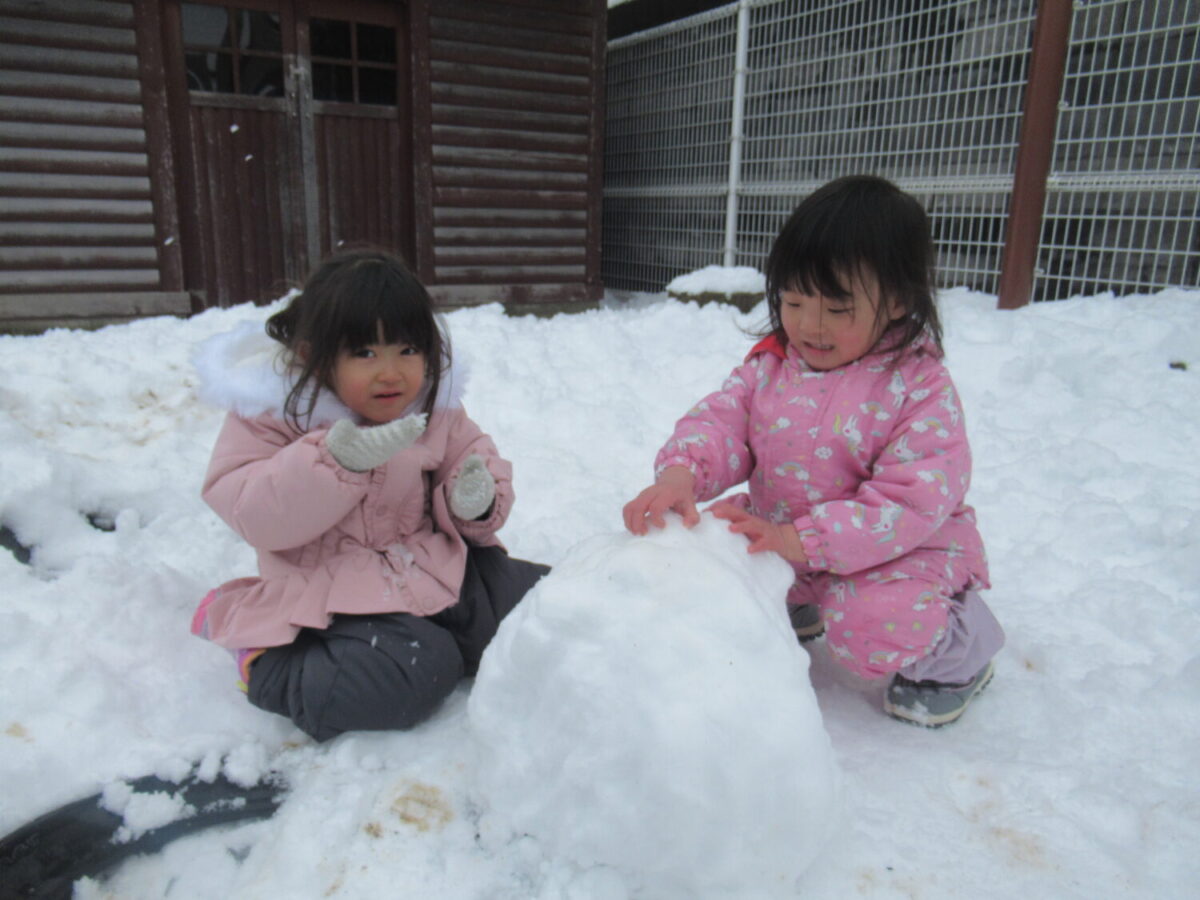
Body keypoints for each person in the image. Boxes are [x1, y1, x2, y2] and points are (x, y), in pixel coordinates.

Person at [623, 175, 1004, 727]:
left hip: (899, 554)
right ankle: (798, 598)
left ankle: (958, 652)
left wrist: (799, 541)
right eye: (795, 300)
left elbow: (907, 502)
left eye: (838, 308)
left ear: (898, 301)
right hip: (791, 538)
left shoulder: (919, 390)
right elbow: (722, 421)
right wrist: (682, 473)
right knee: (713, 559)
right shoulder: (773, 366)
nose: (809, 325)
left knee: (871, 625)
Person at [190, 248, 548, 742]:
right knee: (412, 673)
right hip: (332, 596)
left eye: (408, 350)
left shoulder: (433, 408)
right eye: (365, 353)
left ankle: (448, 632)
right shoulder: (274, 416)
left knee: (541, 605)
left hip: (429, 563)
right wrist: (334, 463)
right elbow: (253, 511)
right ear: (314, 356)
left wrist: (474, 499)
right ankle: (265, 662)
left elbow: (470, 455)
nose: (391, 372)